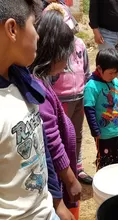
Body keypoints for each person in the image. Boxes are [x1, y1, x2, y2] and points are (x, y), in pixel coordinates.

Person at [0, 0, 60, 219]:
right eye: (34, 25)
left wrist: (55, 199)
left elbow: (40, 147)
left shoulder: (20, 80)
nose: (38, 36)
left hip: (45, 209)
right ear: (12, 29)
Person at [29, 8, 82, 217]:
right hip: (54, 179)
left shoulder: (40, 80)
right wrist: (69, 180)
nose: (67, 64)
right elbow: (51, 141)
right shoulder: (38, 90)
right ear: (53, 54)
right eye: (65, 57)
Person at [45, 2, 93, 185]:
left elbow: (86, 71)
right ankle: (62, 174)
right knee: (61, 137)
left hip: (78, 97)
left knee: (77, 135)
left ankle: (77, 167)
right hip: (60, 100)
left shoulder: (80, 44)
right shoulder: (52, 49)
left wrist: (86, 92)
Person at [84, 48, 118, 170]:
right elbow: (89, 110)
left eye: (116, 73)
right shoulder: (91, 86)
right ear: (99, 69)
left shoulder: (115, 82)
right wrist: (95, 131)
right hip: (103, 135)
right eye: (110, 73)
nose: (114, 76)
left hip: (117, 131)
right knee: (104, 162)